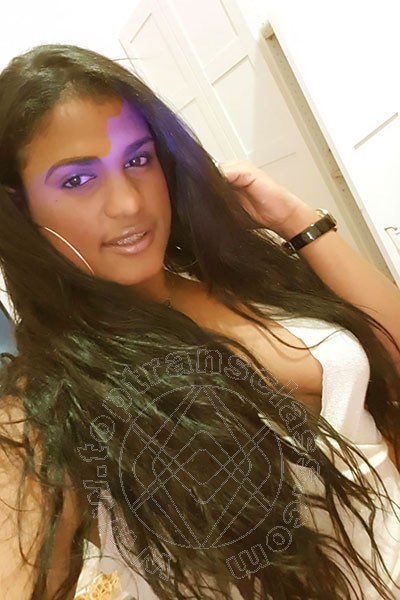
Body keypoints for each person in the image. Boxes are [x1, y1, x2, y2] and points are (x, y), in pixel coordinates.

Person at [0, 43, 399, 600]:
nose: (128, 204)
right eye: (77, 181)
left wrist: (296, 220)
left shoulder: (236, 272)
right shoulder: (52, 394)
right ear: (21, 210)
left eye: (138, 160)